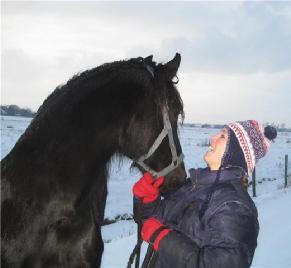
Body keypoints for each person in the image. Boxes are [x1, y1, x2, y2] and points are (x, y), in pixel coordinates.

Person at [132, 120, 277, 268]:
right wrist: (147, 200)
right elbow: (154, 222)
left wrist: (162, 238)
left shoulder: (235, 207)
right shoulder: (193, 185)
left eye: (222, 136)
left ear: (236, 152)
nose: (213, 138)